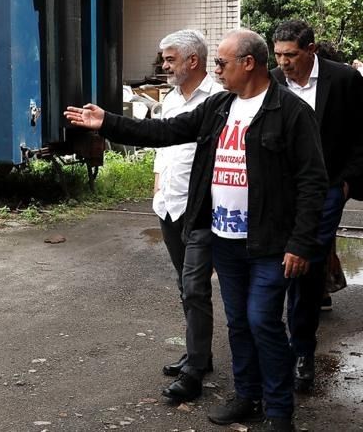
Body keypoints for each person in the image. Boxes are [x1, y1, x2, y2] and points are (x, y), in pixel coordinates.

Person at [64, 29, 326, 431]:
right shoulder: (220, 107)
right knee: (238, 322)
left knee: (262, 321)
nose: (216, 70)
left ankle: (278, 412)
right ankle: (247, 396)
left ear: (248, 64)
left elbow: (312, 181)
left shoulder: (289, 111)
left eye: (221, 63)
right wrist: (108, 123)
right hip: (224, 237)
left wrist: (302, 242)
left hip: (271, 242)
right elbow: (165, 132)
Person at [270, 21, 363, 392]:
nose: (284, 63)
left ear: (311, 49)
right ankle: (276, 345)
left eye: (290, 55)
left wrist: (346, 183)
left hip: (326, 188)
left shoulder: (343, 81)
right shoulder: (273, 81)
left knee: (305, 265)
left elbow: (361, 134)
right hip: (280, 190)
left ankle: (303, 352)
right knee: (278, 263)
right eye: (278, 55)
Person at [153, 30, 224, 402]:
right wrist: (156, 187)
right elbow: (162, 147)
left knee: (196, 286)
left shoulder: (217, 100)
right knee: (185, 284)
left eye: (169, 59)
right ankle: (200, 353)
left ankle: (195, 369)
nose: (164, 65)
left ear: (192, 61)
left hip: (201, 211)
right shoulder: (169, 99)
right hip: (169, 206)